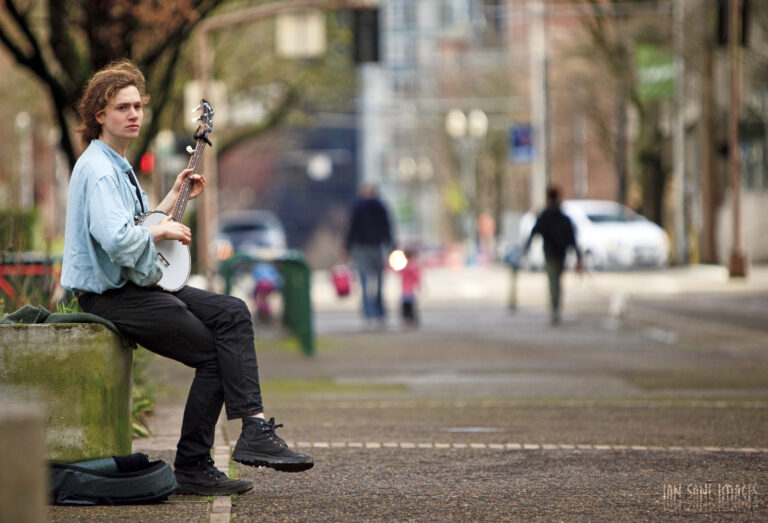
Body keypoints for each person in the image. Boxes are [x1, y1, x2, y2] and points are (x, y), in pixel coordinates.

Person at [60, 60, 312, 496]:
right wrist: (161, 228)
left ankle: (252, 427)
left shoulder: (115, 163)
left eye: (138, 105)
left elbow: (138, 222)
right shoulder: (99, 169)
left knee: (233, 312)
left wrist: (174, 198)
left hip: (136, 284)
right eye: (122, 107)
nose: (134, 114)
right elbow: (119, 240)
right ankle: (194, 466)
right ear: (99, 115)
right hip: (111, 295)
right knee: (213, 354)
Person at [524, 186, 582, 324]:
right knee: (557, 281)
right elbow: (572, 239)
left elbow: (534, 232)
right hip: (561, 254)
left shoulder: (546, 215)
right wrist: (579, 257)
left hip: (550, 254)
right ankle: (556, 308)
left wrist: (527, 249)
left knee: (553, 282)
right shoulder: (563, 217)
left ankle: (555, 308)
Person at [343, 184, 394, 328]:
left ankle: (369, 315)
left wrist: (346, 247)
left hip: (361, 249)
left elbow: (351, 230)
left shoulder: (358, 208)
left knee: (365, 284)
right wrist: (391, 247)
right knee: (379, 283)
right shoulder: (381, 207)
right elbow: (388, 228)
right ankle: (380, 313)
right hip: (377, 248)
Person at [398, 247, 422, 328]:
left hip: (407, 290)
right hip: (409, 290)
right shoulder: (414, 266)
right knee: (410, 307)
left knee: (407, 307)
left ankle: (409, 321)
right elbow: (417, 277)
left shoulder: (406, 266)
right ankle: (410, 321)